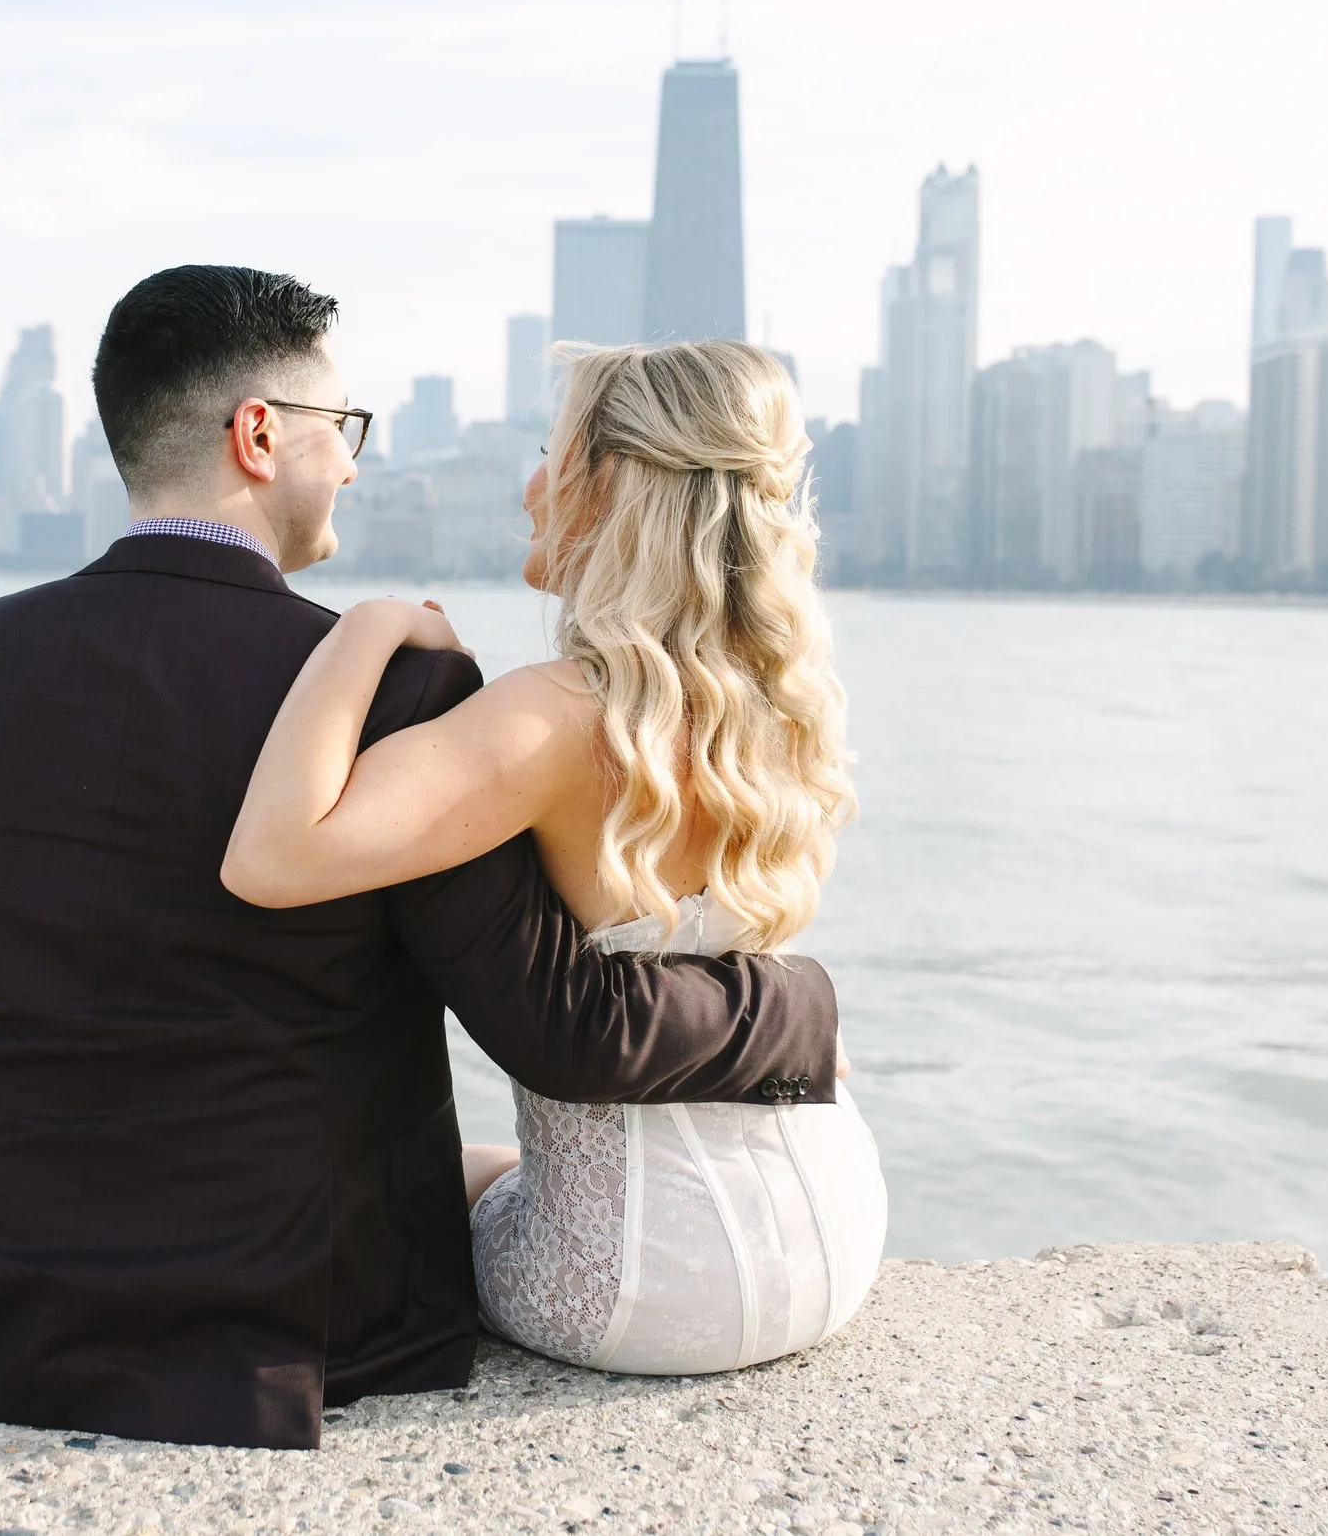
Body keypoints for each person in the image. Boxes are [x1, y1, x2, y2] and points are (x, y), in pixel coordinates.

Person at [0, 267, 844, 1450]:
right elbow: (545, 1011)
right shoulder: (410, 690)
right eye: (342, 428)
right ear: (260, 434)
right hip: (288, 1303)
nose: (355, 462)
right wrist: (802, 1008)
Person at [224, 338, 887, 1375]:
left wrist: (368, 627)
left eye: (550, 450)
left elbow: (272, 853)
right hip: (837, 1227)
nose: (531, 483)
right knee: (480, 1167)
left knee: (412, 1189)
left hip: (642, 1288)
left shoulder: (556, 713)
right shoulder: (780, 705)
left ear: (612, 481)